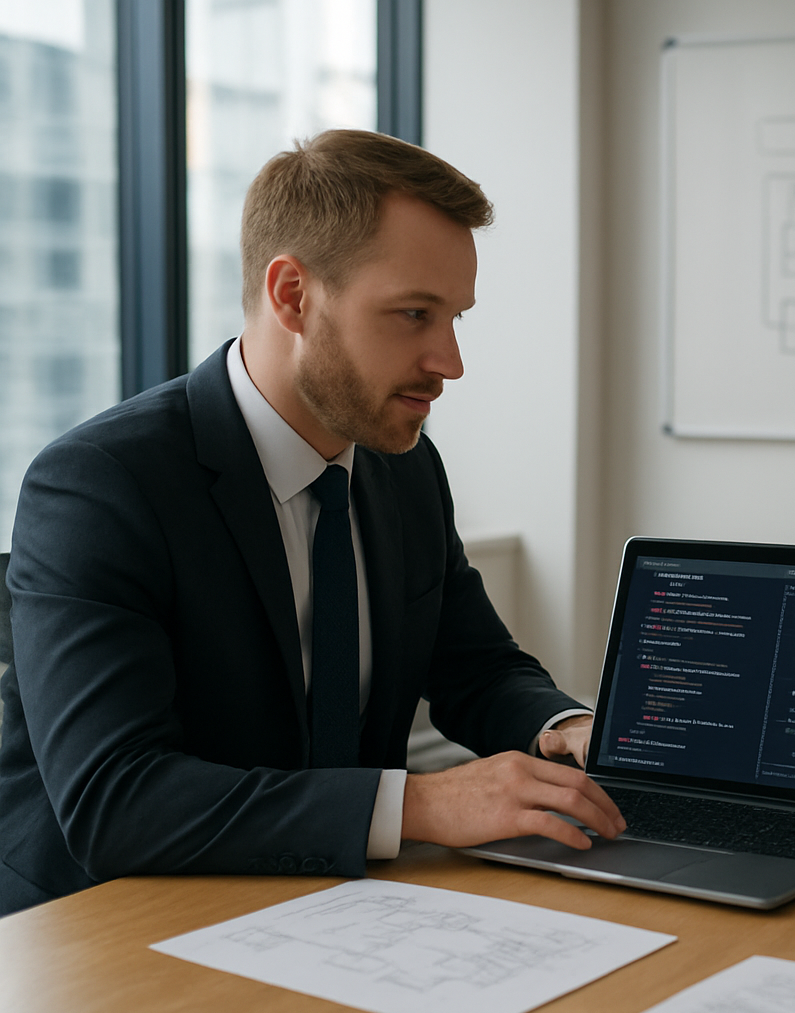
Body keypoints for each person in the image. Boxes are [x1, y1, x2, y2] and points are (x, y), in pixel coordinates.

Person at [0, 129, 625, 916]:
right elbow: (116, 801)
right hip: (105, 925)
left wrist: (565, 726)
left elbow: (474, 665)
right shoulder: (100, 486)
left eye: (456, 317)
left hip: (326, 907)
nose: (450, 360)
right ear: (292, 295)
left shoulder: (401, 465)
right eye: (413, 314)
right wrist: (423, 806)